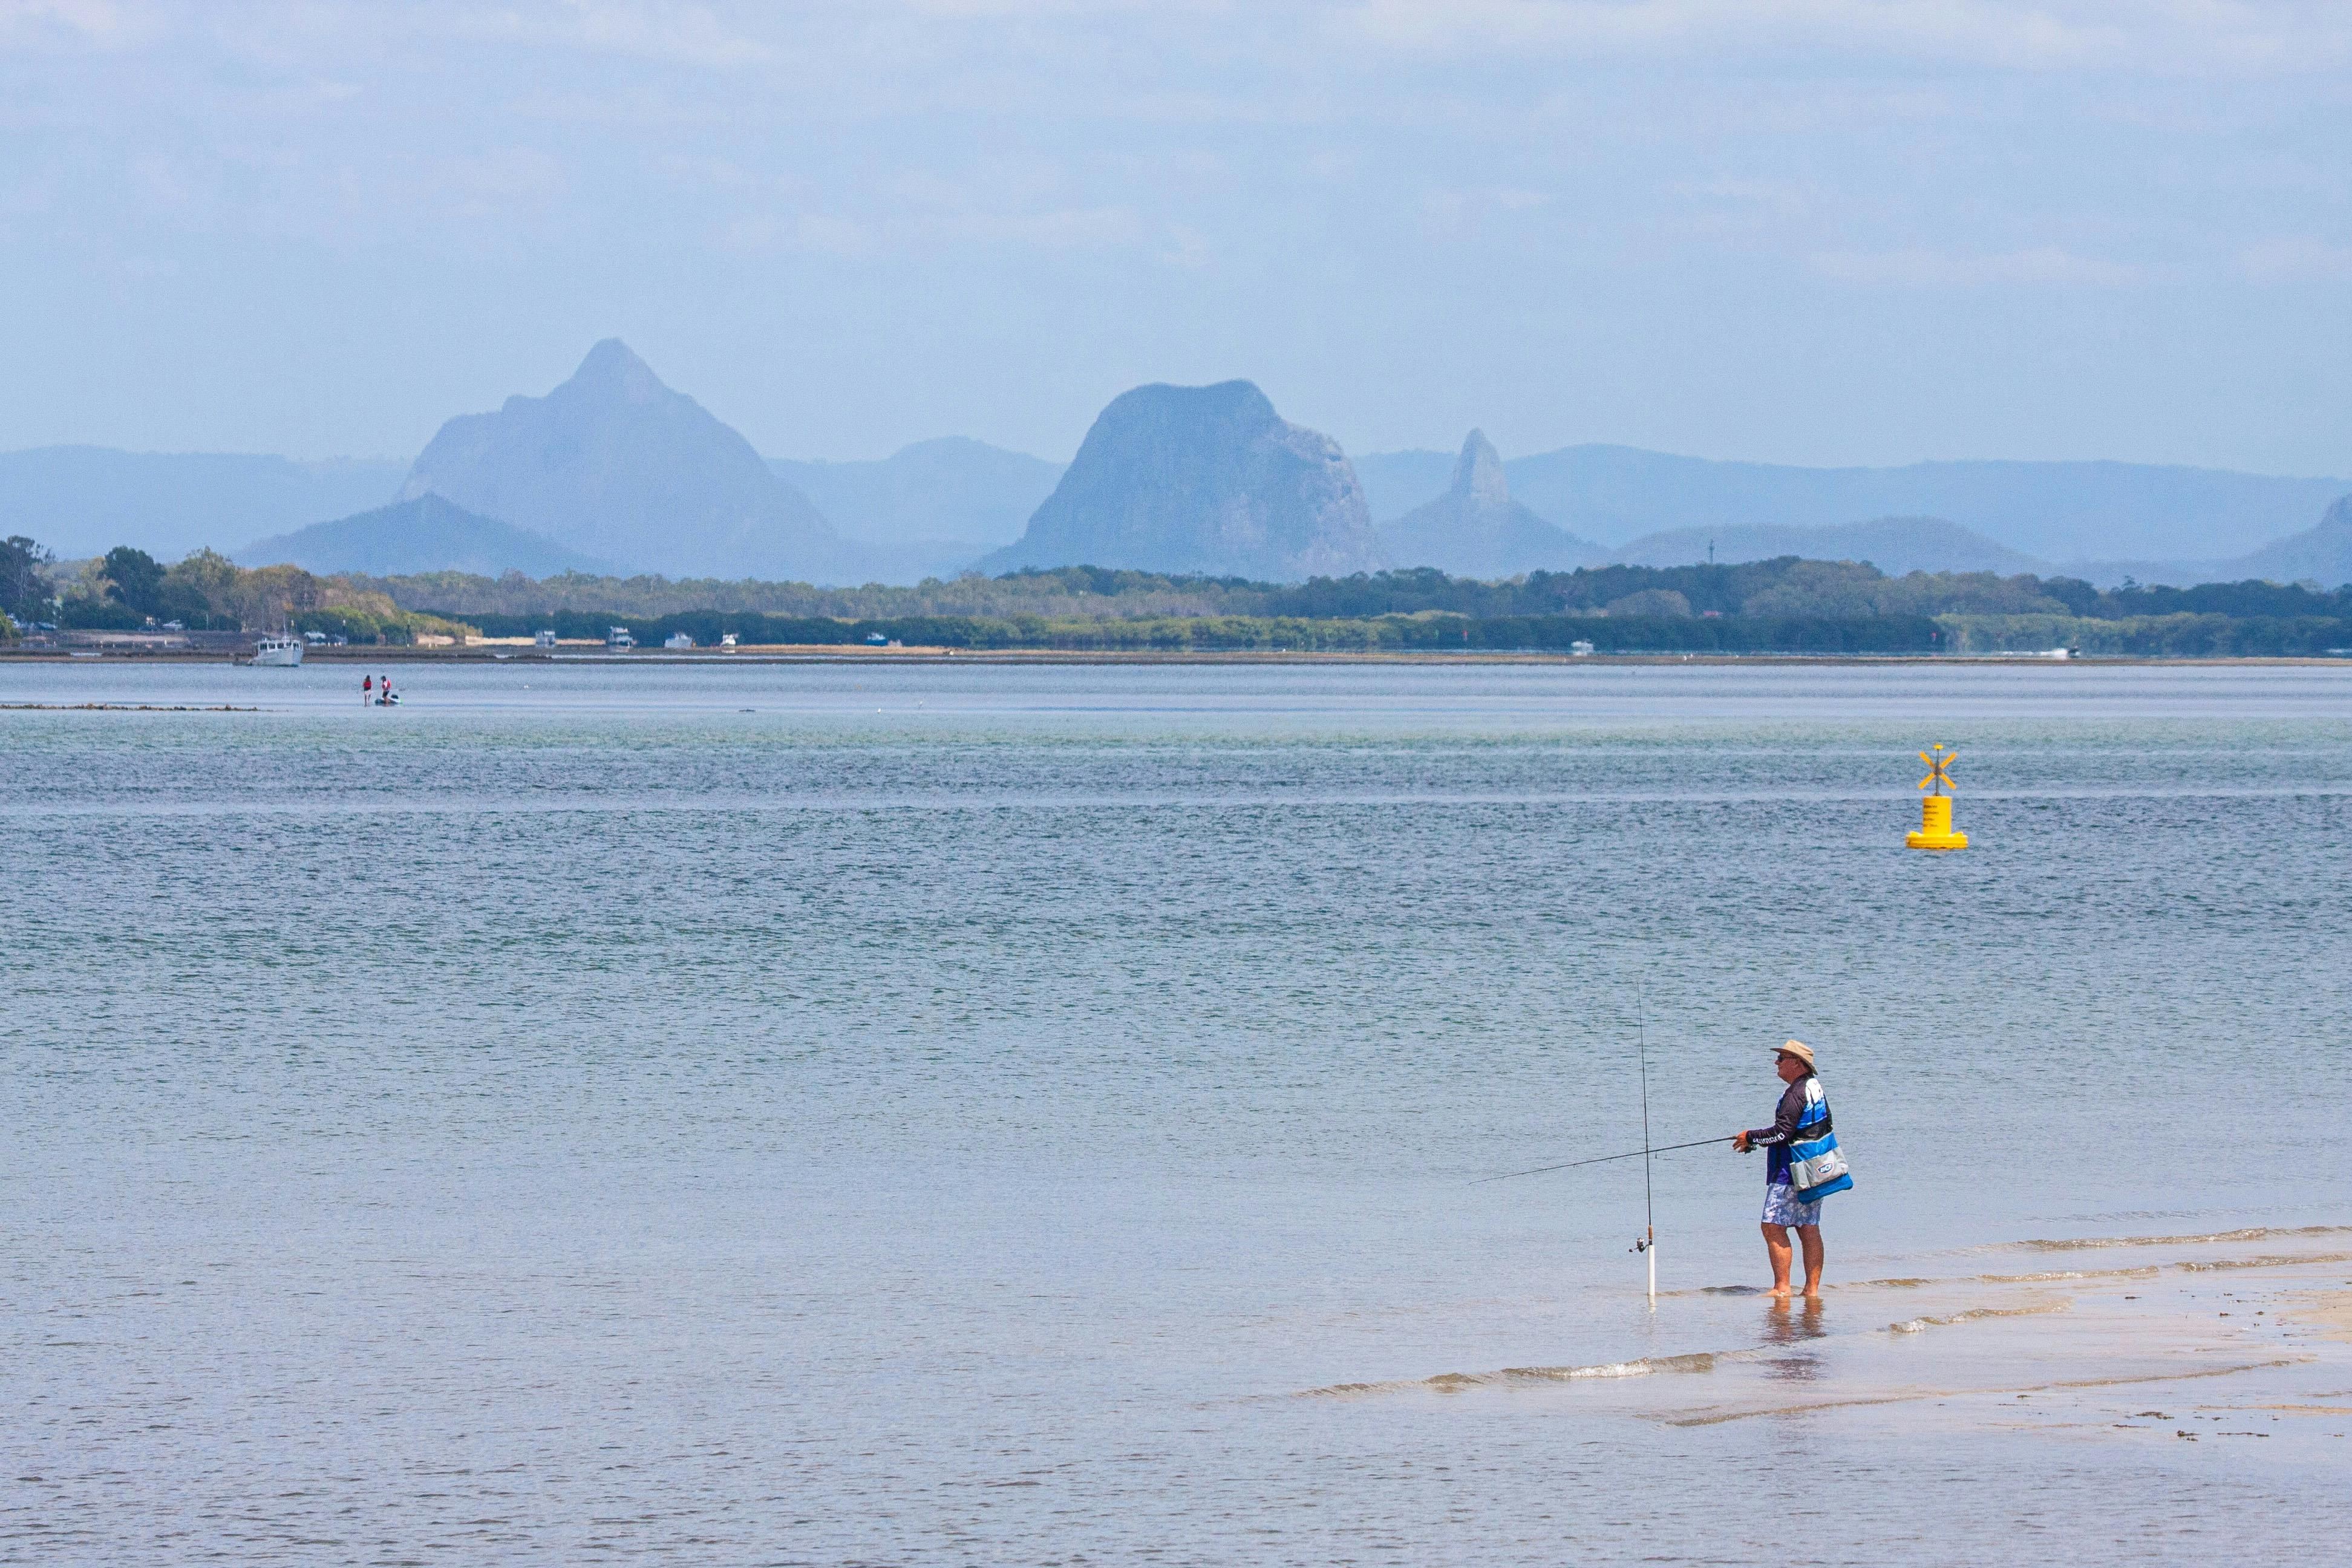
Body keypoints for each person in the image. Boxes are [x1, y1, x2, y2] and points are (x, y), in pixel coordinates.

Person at [1732, 1040, 1851, 1299]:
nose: (1777, 1063)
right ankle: (1811, 1291)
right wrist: (1755, 1141)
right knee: (1808, 1227)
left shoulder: (1796, 1093)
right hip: (1814, 1169)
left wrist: (1750, 1137)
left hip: (1791, 1171)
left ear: (1797, 1063)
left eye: (1782, 1058)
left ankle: (1782, 1288)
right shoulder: (1813, 1087)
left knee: (1772, 1226)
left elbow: (1782, 1133)